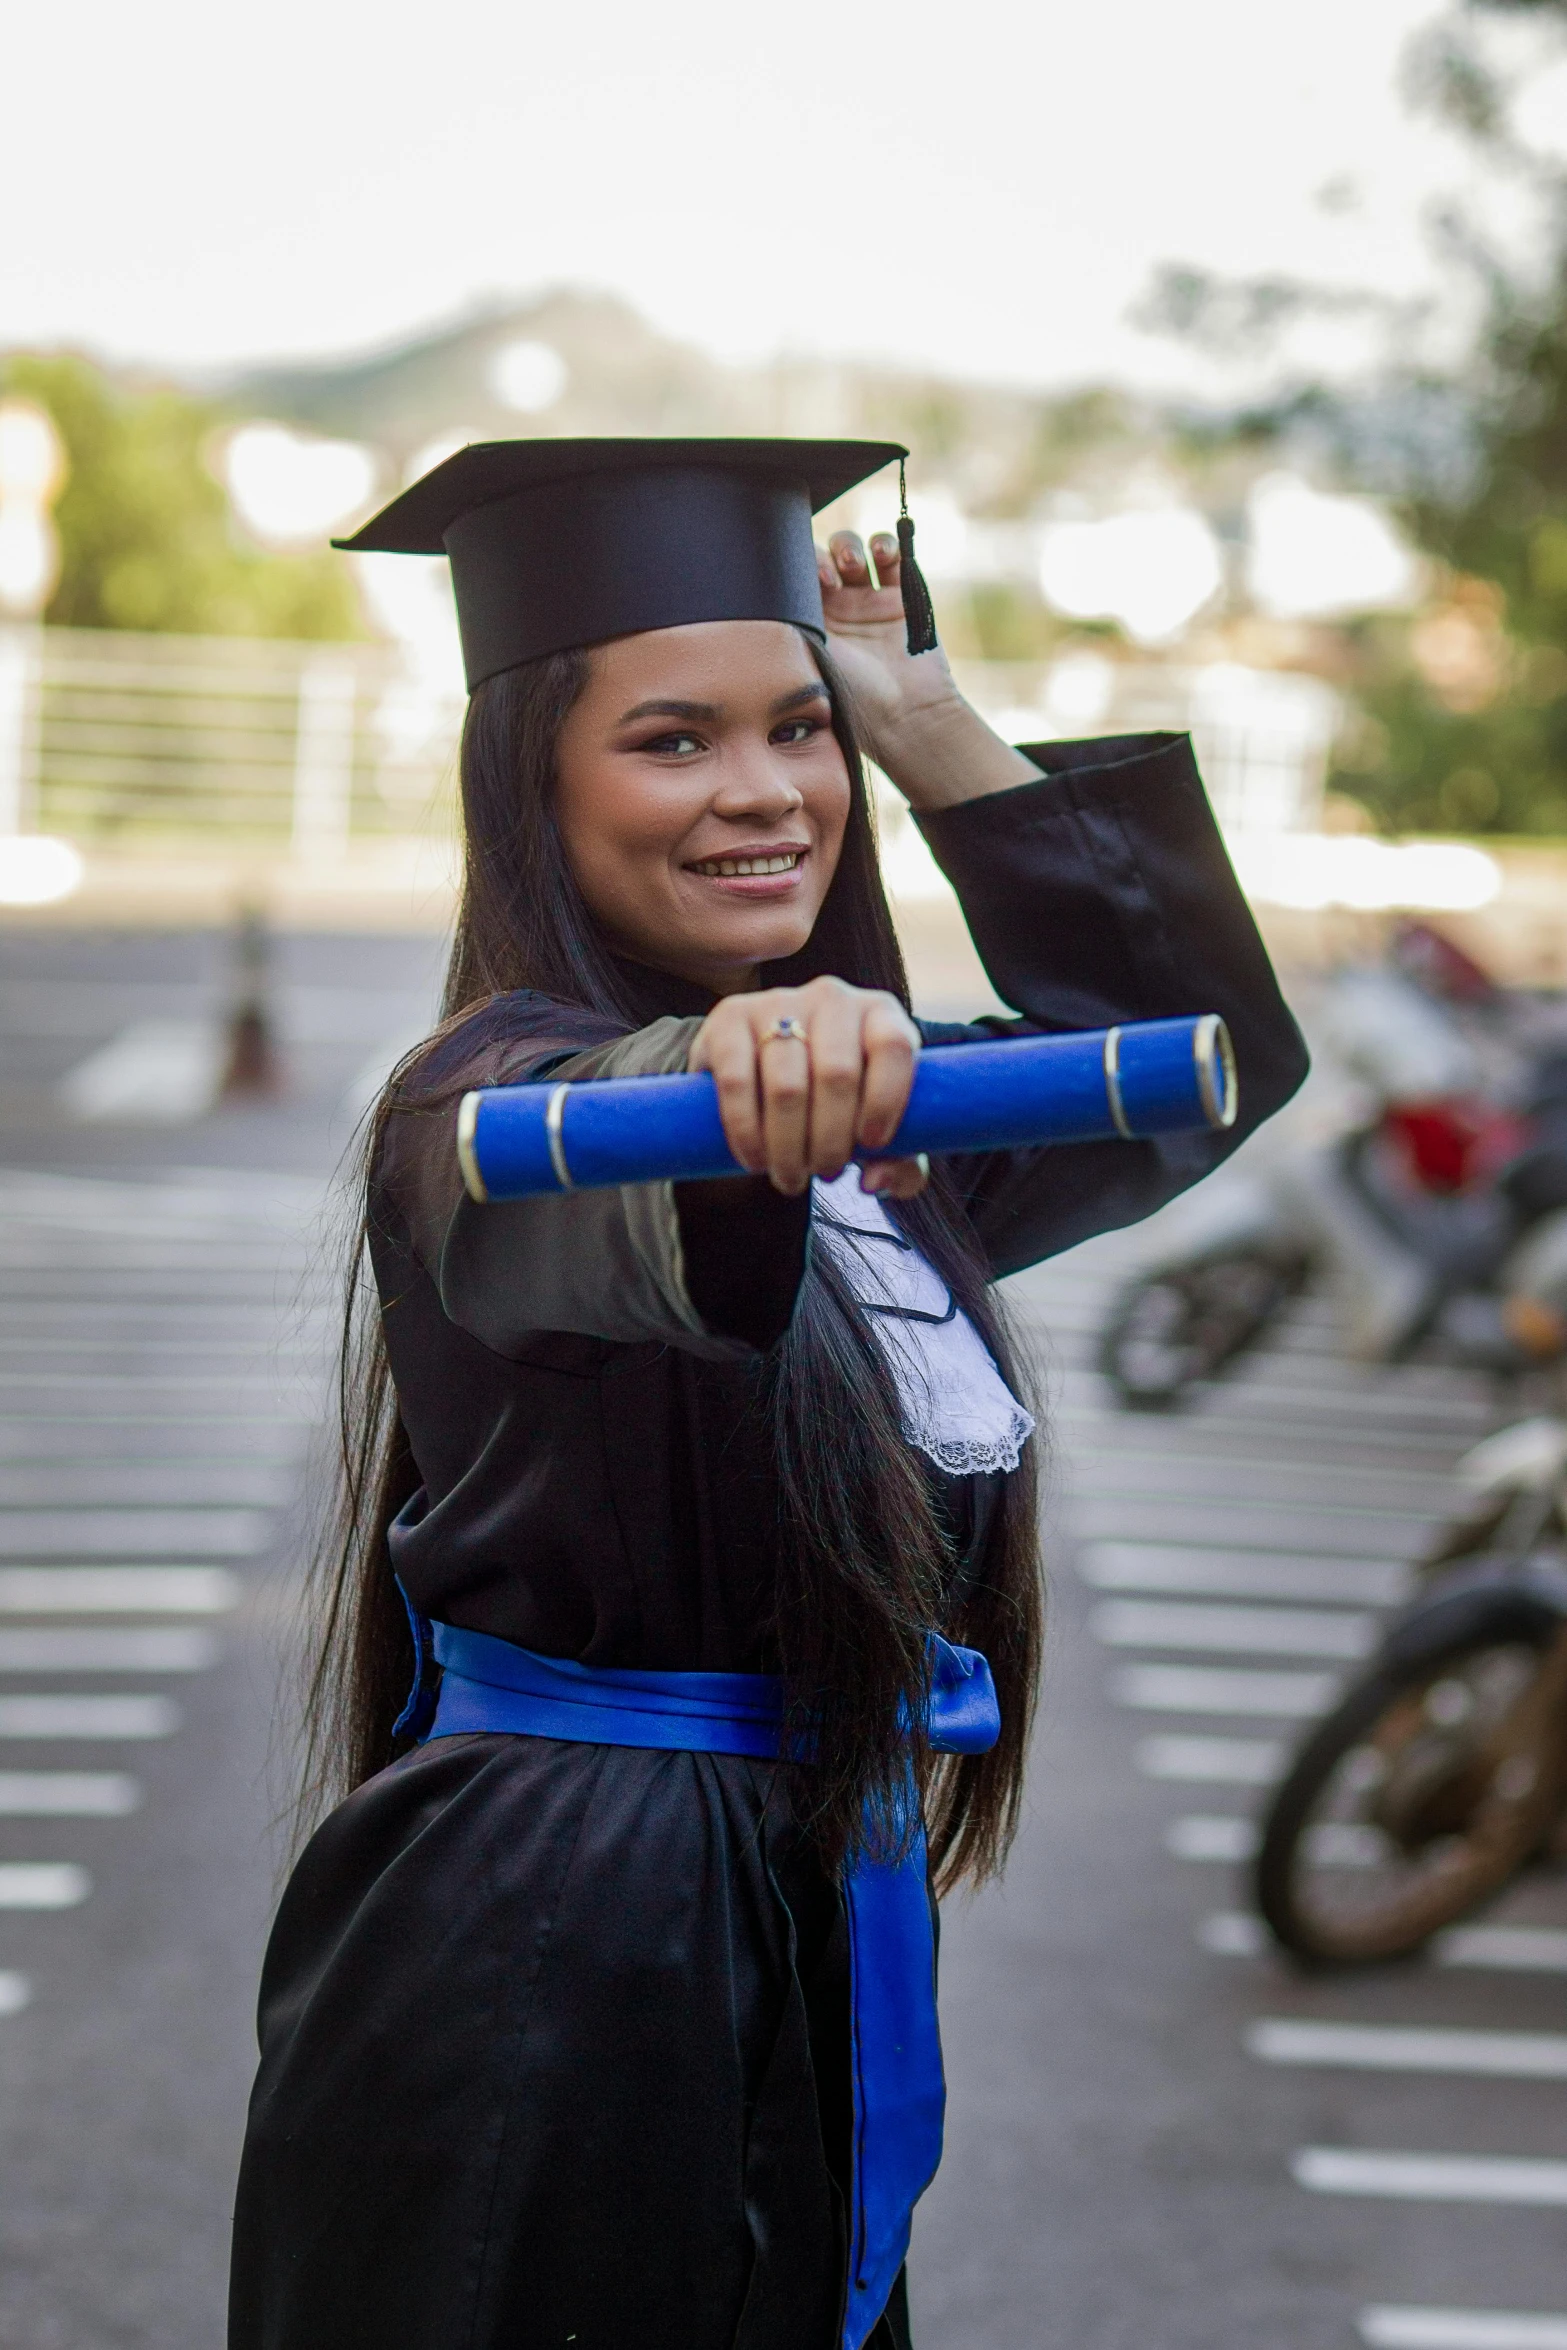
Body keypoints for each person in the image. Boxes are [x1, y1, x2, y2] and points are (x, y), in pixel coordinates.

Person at [227, 438, 1307, 2350]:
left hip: (777, 1916)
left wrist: (920, 713)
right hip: (555, 1962)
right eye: (670, 740)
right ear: (531, 777)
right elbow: (653, 1194)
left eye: (795, 731)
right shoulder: (489, 1119)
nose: (762, 792)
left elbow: (1202, 1054)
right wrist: (759, 1056)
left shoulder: (889, 1141)